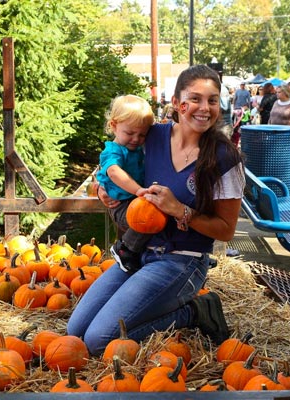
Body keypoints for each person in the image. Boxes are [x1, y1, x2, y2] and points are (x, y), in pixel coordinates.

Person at [67, 64, 245, 356]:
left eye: (212, 100)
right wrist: (102, 190)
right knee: (76, 331)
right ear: (176, 103)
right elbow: (113, 161)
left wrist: (179, 210)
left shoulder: (225, 159)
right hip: (136, 252)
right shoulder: (151, 137)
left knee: (98, 342)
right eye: (195, 99)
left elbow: (226, 231)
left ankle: (194, 312)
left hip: (181, 261)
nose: (204, 108)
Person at [95, 95, 156, 273]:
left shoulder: (136, 148)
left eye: (142, 134)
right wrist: (139, 190)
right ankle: (125, 249)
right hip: (120, 204)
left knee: (151, 215)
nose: (136, 139)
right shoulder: (112, 151)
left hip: (133, 200)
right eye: (130, 133)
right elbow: (113, 172)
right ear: (114, 126)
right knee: (145, 219)